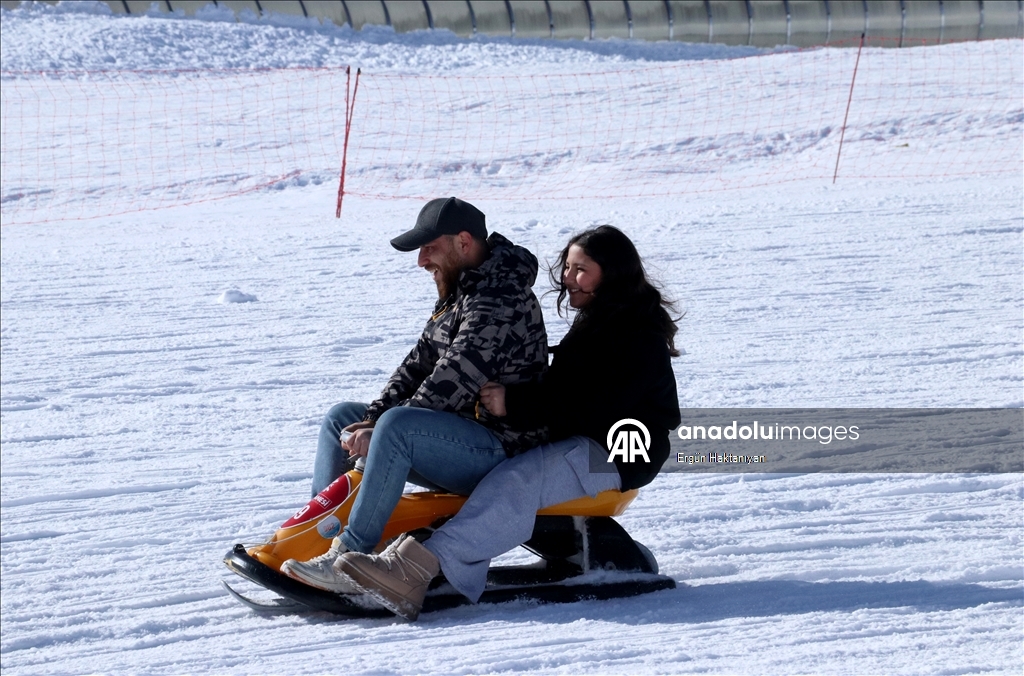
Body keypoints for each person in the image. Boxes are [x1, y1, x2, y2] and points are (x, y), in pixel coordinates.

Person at [331, 225, 682, 620]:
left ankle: (415, 569)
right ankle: (332, 544)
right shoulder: (603, 318)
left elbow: (593, 405)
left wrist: (513, 403)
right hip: (584, 437)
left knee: (516, 482)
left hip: (619, 450)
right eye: (567, 267)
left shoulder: (636, 334)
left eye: (581, 269)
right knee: (513, 475)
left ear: (613, 273)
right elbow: (571, 392)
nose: (568, 278)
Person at [281, 197, 548, 590]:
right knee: (342, 418)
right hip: (457, 433)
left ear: (463, 242)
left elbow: (455, 375)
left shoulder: (500, 297)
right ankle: (320, 538)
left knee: (398, 427)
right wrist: (372, 418)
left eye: (429, 248)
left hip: (501, 447)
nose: (422, 261)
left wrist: (384, 428)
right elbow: (418, 364)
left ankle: (348, 559)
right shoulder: (463, 289)